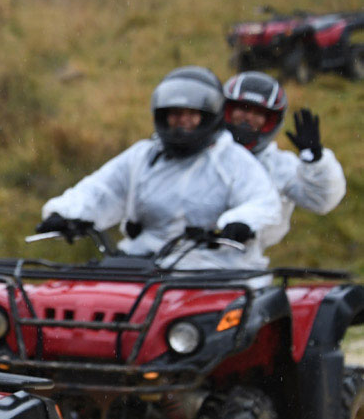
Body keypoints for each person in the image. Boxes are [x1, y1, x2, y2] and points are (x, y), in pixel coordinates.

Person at [37, 66, 282, 270]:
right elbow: (101, 189)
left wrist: (241, 224)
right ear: (162, 115)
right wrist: (66, 214)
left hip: (215, 269)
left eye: (191, 114)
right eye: (175, 113)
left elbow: (264, 203)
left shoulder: (234, 160)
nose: (182, 120)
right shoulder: (143, 155)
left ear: (209, 116)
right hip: (143, 263)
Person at [223, 71, 346, 257]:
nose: (248, 117)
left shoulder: (279, 165)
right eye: (243, 109)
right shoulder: (198, 154)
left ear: (271, 122)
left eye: (258, 113)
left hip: (246, 263)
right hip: (180, 260)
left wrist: (317, 162)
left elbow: (321, 201)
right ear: (226, 110)